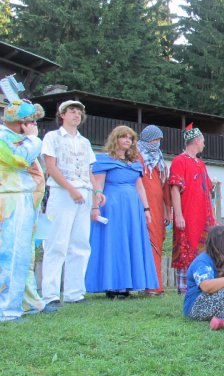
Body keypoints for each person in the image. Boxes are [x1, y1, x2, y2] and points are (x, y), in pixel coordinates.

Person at [85, 126, 159, 299]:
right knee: (114, 243)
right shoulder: (104, 160)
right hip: (112, 207)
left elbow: (140, 188)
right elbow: (98, 186)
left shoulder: (135, 163)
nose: (127, 140)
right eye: (123, 137)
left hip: (133, 209)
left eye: (130, 138)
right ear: (115, 139)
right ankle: (112, 286)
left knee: (131, 243)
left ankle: (127, 285)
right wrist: (95, 207)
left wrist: (146, 209)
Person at [41, 99, 102, 306]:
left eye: (79, 112)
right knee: (56, 242)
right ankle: (50, 294)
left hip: (83, 192)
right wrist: (71, 189)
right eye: (72, 111)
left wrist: (96, 191)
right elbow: (51, 167)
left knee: (80, 243)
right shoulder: (52, 137)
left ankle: (74, 292)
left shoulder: (84, 142)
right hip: (62, 193)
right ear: (62, 115)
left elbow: (88, 171)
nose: (76, 115)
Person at [0, 87, 49, 321]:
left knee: (25, 255)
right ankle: (7, 309)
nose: (34, 126)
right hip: (10, 201)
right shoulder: (4, 138)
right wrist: (33, 138)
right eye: (31, 122)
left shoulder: (16, 138)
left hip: (24, 201)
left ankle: (28, 302)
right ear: (23, 123)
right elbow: (21, 159)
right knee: (11, 255)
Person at [170, 124, 215, 294]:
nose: (204, 144)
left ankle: (201, 285)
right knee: (186, 248)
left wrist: (212, 216)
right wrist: (178, 215)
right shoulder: (179, 161)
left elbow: (207, 190)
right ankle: (185, 288)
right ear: (196, 141)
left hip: (203, 216)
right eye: (203, 141)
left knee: (203, 250)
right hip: (188, 214)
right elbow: (175, 189)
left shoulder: (201, 164)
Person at [136, 125, 170, 295]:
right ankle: (141, 284)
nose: (157, 143)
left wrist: (167, 210)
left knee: (156, 242)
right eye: (154, 140)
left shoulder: (160, 159)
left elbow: (165, 187)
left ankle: (154, 285)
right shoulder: (135, 156)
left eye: (159, 140)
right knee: (140, 243)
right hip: (139, 205)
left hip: (157, 208)